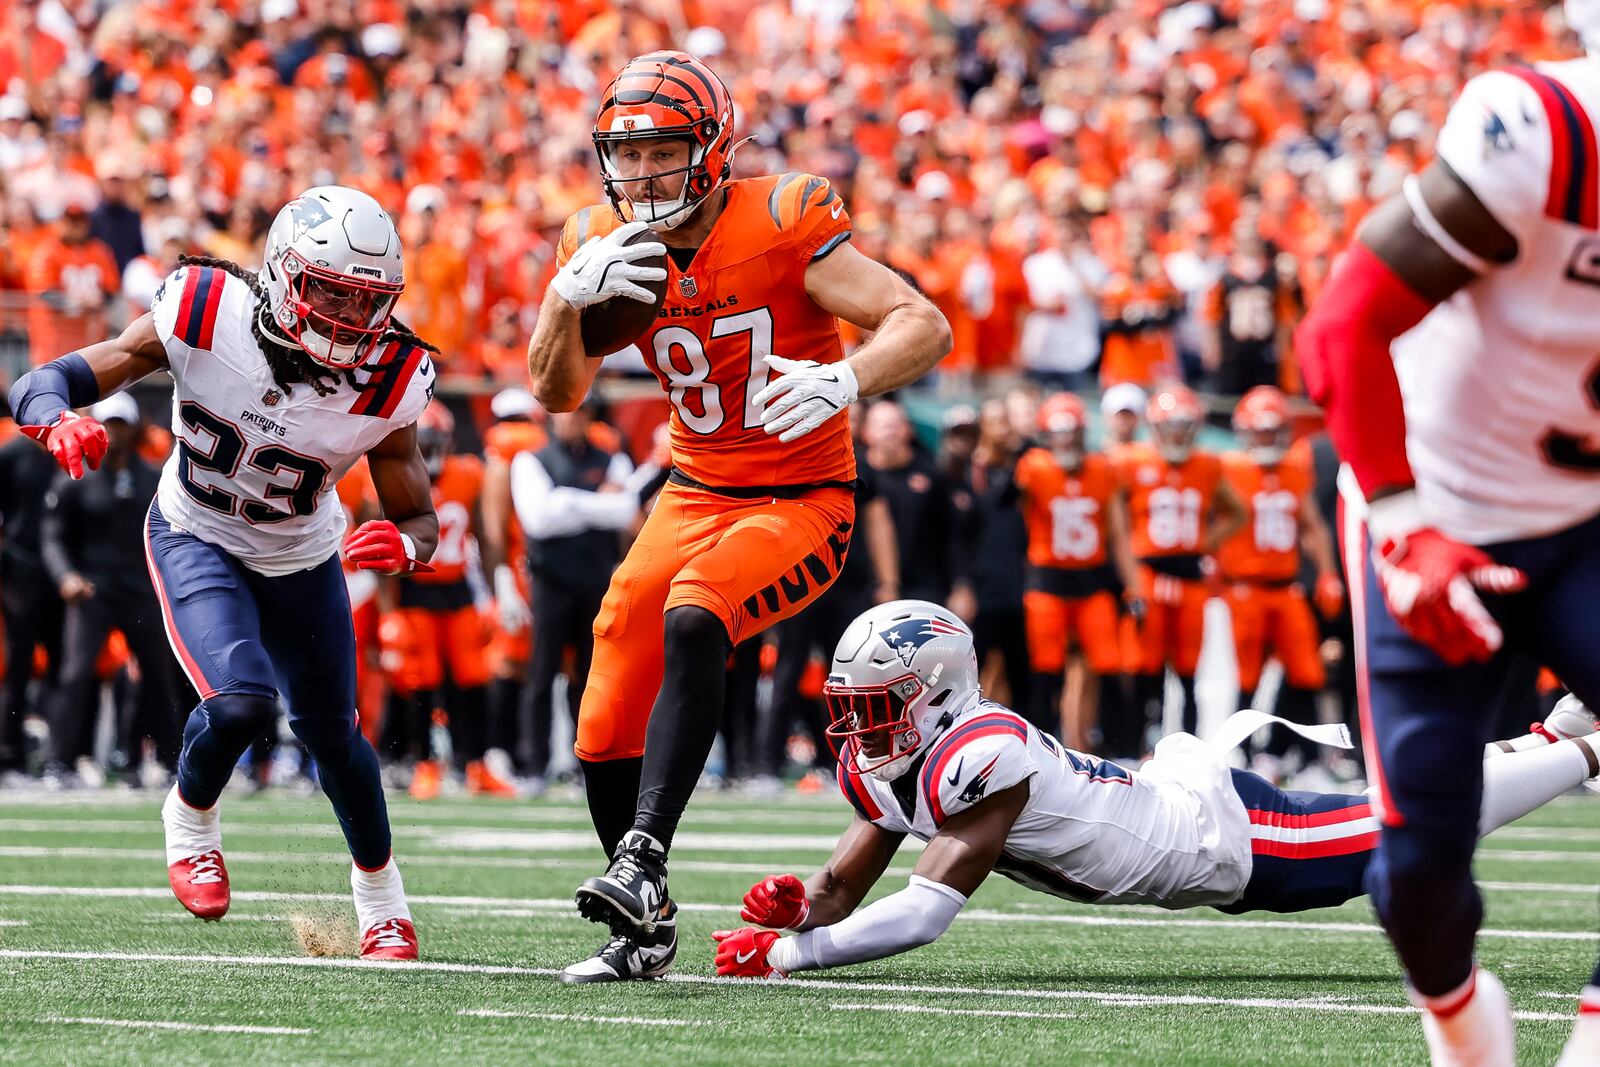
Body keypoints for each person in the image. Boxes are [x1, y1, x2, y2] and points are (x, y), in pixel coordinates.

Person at [526, 50, 950, 983]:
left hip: (802, 499)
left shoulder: (785, 218)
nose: (641, 176)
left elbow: (922, 320)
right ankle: (647, 925)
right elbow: (555, 389)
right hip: (693, 491)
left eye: (664, 151)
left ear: (715, 149)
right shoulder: (602, 239)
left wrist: (847, 377)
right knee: (604, 705)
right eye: (625, 156)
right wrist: (563, 299)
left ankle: (640, 859)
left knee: (696, 608)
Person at [709, 601, 1600, 983]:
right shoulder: (899, 758)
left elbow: (922, 912)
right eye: (853, 708)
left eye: (876, 707)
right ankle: (1558, 736)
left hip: (1223, 840)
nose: (859, 729)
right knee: (1398, 809)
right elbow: (840, 891)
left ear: (935, 691)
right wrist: (786, 916)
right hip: (1176, 805)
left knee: (1413, 826)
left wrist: (794, 956)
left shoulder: (979, 753)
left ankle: (1581, 751)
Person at [9, 185, 440, 960]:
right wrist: (55, 417)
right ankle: (190, 815)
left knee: (333, 736)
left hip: (302, 553)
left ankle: (384, 904)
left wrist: (406, 545)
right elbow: (50, 379)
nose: (348, 321)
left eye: (364, 302)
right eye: (330, 293)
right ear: (280, 273)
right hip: (196, 532)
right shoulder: (205, 310)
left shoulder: (392, 376)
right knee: (241, 702)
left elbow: (419, 513)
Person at [1295, 10, 1600, 1058]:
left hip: (1590, 511)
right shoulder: (1551, 132)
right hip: (1442, 508)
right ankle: (1465, 1020)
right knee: (1416, 871)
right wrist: (1404, 520)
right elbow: (1341, 326)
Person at [38, 392, 175, 786]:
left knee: (158, 675)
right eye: (107, 424)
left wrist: (166, 578)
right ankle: (58, 763)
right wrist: (66, 575)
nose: (113, 433)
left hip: (141, 589)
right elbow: (53, 536)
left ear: (133, 428)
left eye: (119, 424)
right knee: (75, 674)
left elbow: (169, 533)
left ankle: (169, 761)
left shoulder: (152, 477)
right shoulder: (76, 477)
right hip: (92, 589)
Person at [380, 401, 515, 800]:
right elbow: (381, 550)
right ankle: (426, 764)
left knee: (472, 679)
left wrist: (496, 590)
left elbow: (485, 538)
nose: (430, 452)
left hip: (457, 592)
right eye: (423, 443)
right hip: (415, 592)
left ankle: (475, 763)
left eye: (435, 442)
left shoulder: (468, 475)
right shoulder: (390, 477)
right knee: (422, 681)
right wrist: (389, 613)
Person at [510, 400, 639, 794]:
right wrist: (593, 500)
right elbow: (539, 519)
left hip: (597, 582)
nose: (571, 419)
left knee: (592, 678)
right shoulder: (531, 460)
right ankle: (535, 766)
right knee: (541, 673)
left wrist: (564, 499)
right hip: (551, 580)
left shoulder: (611, 457)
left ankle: (589, 767)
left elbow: (625, 511)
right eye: (566, 412)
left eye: (580, 412)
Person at [1218, 387, 1344, 780]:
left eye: (1273, 431)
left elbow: (1312, 526)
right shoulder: (1230, 468)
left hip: (1286, 586)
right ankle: (1238, 754)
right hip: (1243, 587)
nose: (1267, 440)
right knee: (1245, 678)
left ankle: (1302, 757)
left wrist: (1326, 572)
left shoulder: (1293, 468)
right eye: (1260, 432)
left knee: (1307, 671)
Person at [1115, 385, 1245, 738]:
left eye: (1183, 425)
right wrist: (1128, 572)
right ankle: (1145, 738)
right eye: (1170, 425)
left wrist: (1204, 542)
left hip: (1189, 574)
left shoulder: (1207, 465)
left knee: (1189, 666)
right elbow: (1113, 519)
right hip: (1149, 573)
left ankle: (1189, 740)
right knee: (1146, 664)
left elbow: (1237, 512)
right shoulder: (1132, 461)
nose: (1177, 433)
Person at [1013, 393, 1140, 749]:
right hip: (1047, 578)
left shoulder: (1102, 469)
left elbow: (1119, 534)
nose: (1066, 441)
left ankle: (1109, 743)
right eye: (1059, 433)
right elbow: (1013, 525)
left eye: (1072, 433)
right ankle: (1040, 745)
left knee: (1109, 663)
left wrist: (1135, 586)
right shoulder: (1034, 467)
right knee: (1046, 667)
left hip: (1091, 578)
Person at [0, 400, 67, 780]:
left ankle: (60, 756)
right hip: (21, 573)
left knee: (66, 670)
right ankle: (9, 757)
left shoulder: (67, 452)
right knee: (18, 667)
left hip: (62, 578)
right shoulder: (12, 453)